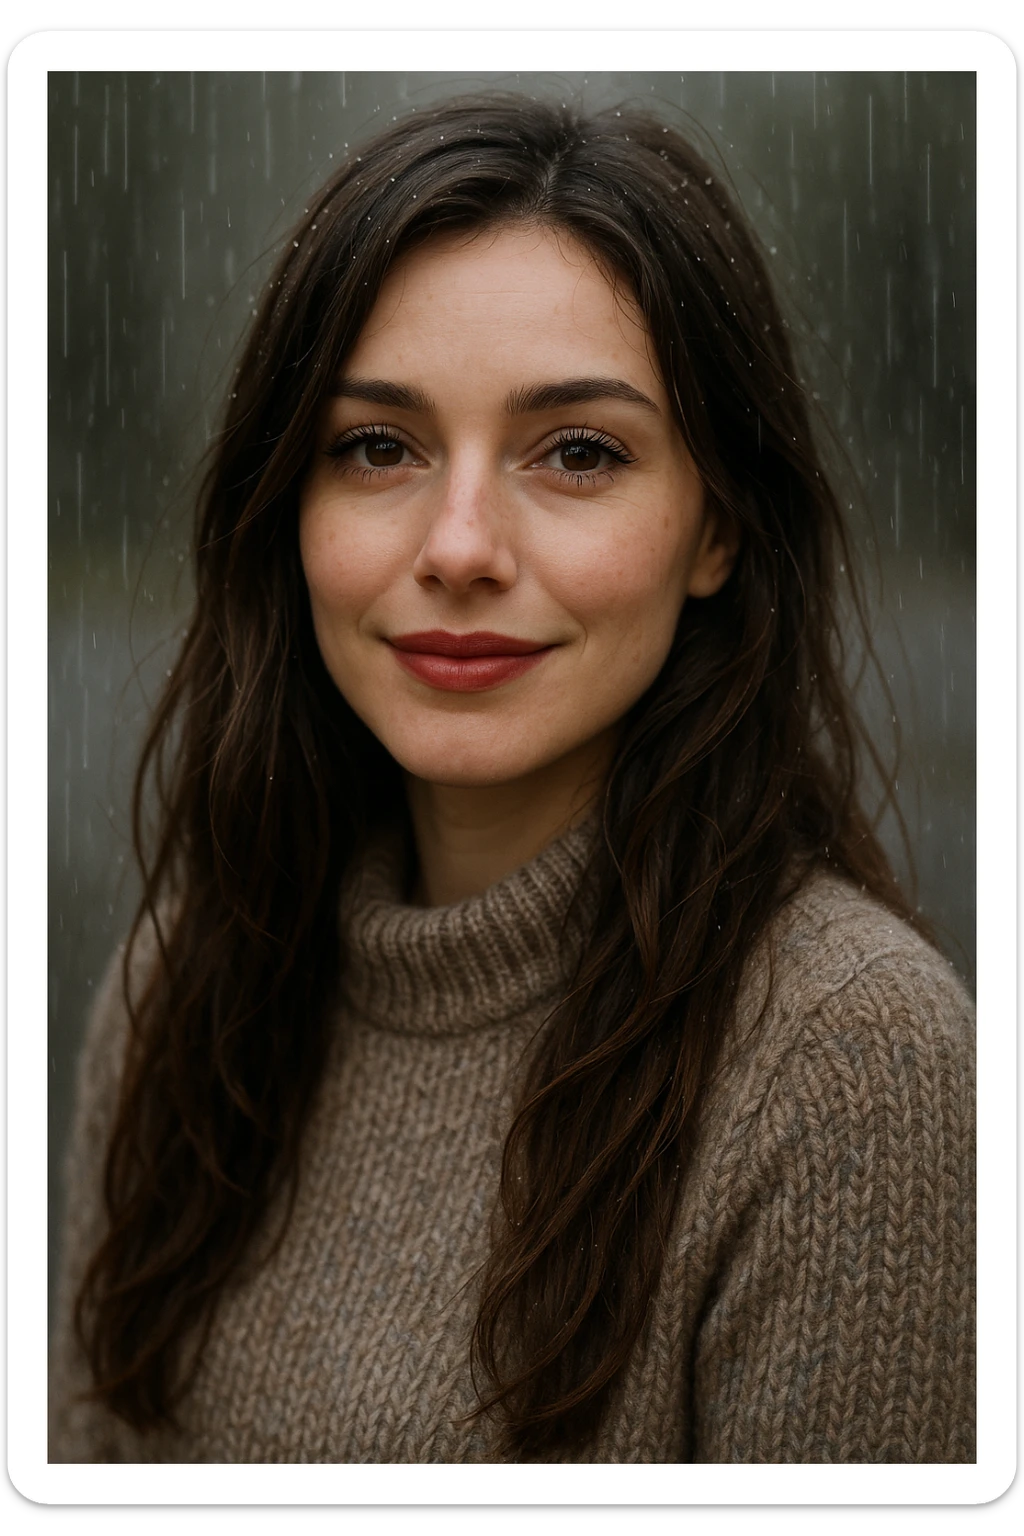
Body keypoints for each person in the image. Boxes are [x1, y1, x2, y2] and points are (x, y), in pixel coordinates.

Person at [49, 96, 975, 1465]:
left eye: (578, 453)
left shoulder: (853, 1068)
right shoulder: (187, 984)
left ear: (716, 526)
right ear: (286, 508)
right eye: (379, 447)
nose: (461, 544)